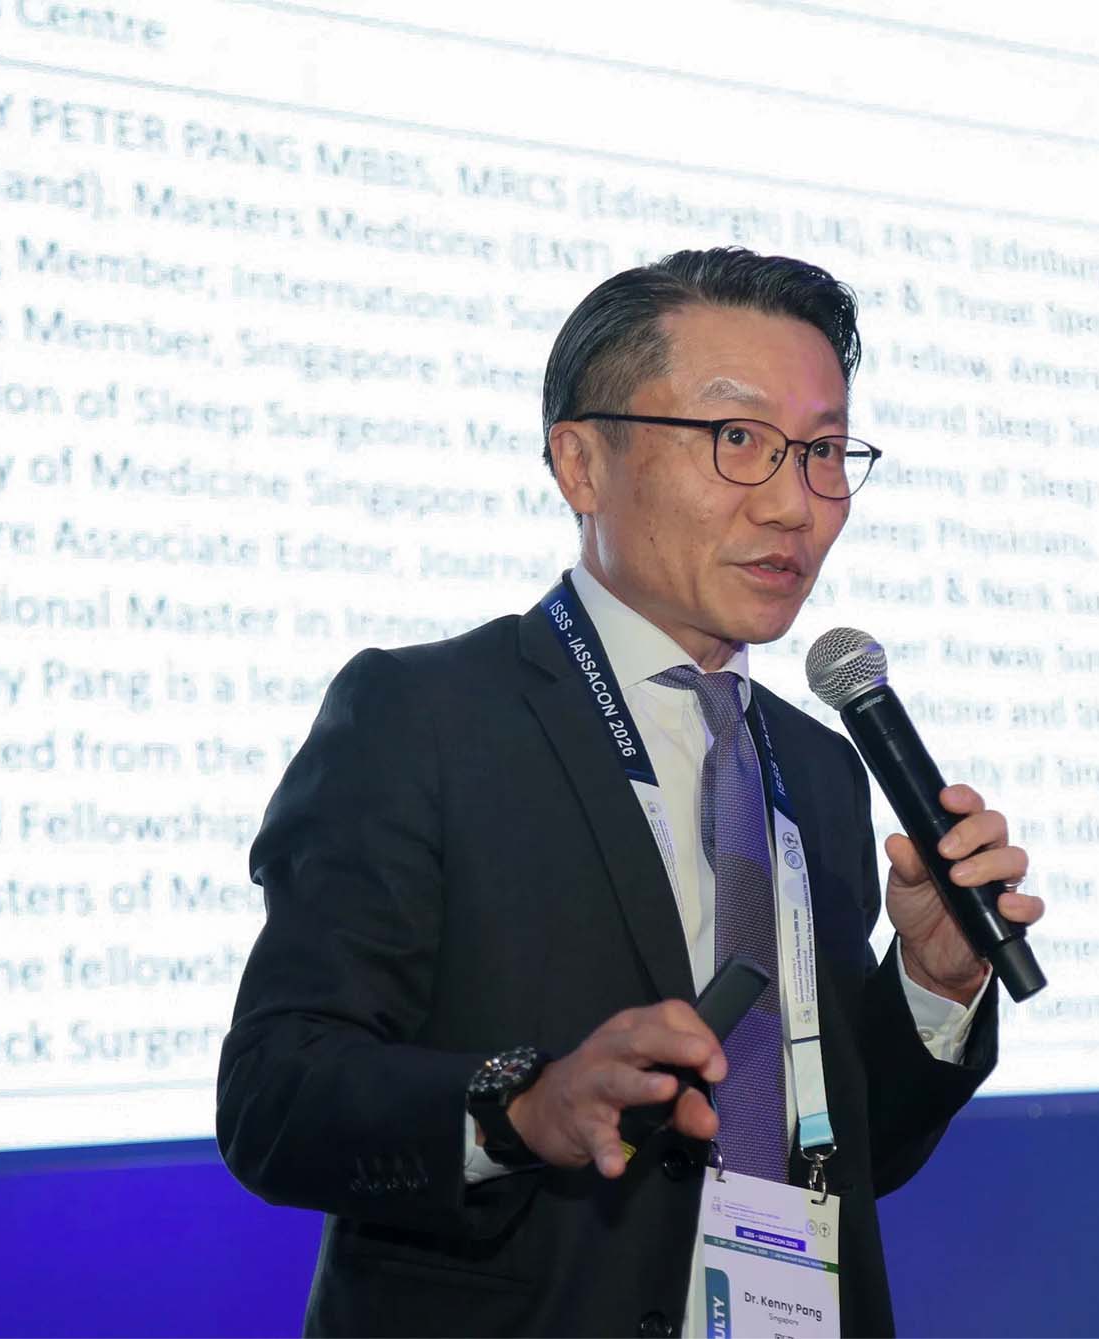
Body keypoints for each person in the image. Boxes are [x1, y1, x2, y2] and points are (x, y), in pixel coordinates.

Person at [216, 247, 1045, 1337]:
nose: (794, 504)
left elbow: (846, 1152)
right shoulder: (424, 717)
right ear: (581, 464)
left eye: (823, 451)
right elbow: (276, 1095)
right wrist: (520, 1106)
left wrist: (933, 983)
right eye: (737, 439)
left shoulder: (821, 765)